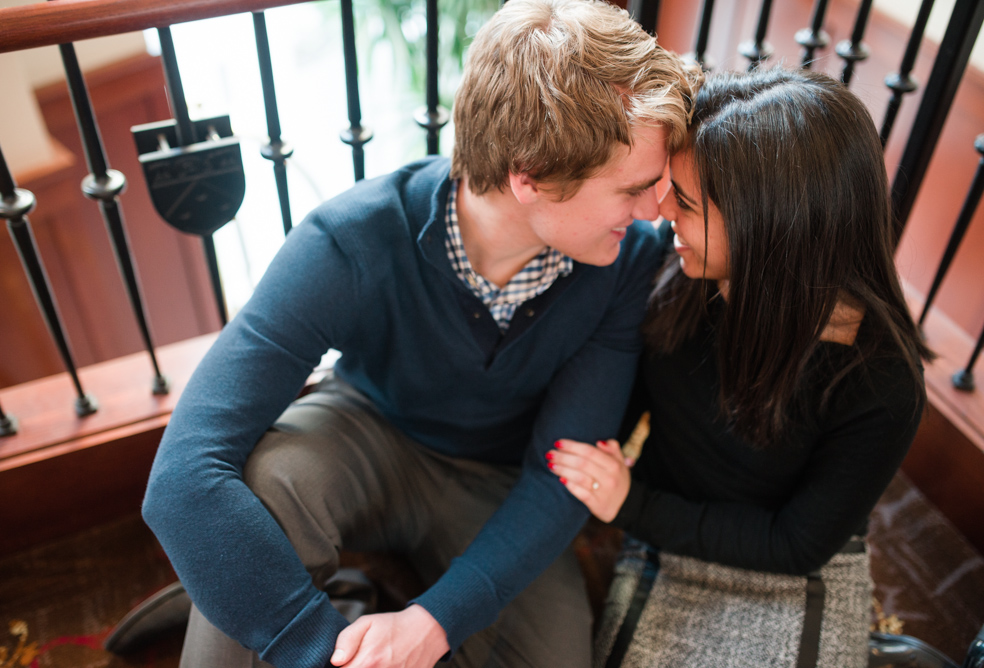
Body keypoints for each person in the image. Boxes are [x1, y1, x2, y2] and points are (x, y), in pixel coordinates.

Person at [141, 1, 700, 667]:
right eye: (634, 188)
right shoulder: (348, 242)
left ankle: (327, 598)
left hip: (497, 482)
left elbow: (561, 473)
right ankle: (286, 605)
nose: (657, 210)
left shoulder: (627, 260)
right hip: (364, 434)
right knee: (272, 485)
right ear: (530, 178)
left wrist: (433, 623)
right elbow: (180, 479)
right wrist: (315, 648)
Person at [547, 67, 931, 668]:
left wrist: (631, 506)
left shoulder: (883, 385)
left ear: (772, 231)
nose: (660, 208)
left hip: (779, 551)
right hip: (671, 532)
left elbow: (797, 543)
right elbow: (616, 393)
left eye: (689, 203)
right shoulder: (674, 276)